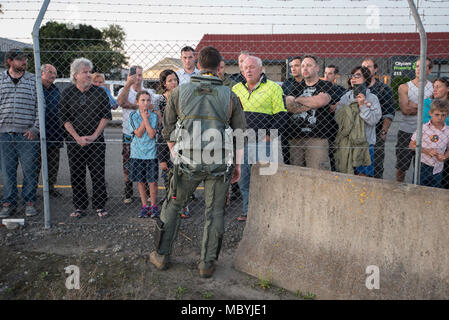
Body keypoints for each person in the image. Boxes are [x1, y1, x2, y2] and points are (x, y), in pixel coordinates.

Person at [149, 46, 246, 278]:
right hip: (219, 163)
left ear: (198, 64)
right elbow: (240, 134)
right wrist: (238, 165)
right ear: (219, 67)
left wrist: (175, 153)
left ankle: (162, 256)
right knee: (215, 213)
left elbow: (168, 128)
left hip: (187, 162)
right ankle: (206, 264)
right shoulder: (230, 95)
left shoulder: (179, 92)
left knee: (173, 205)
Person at [232, 55, 287, 221]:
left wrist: (270, 136)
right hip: (241, 142)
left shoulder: (273, 88)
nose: (248, 70)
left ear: (261, 69)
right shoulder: (236, 89)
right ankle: (248, 212)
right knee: (244, 179)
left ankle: (266, 213)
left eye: (252, 67)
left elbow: (281, 115)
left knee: (265, 180)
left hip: (263, 142)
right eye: (245, 68)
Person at [59, 57, 111, 218]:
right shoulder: (67, 93)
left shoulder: (100, 92)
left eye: (90, 72)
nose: (89, 75)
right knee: (77, 174)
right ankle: (80, 206)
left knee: (97, 174)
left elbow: (106, 116)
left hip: (96, 143)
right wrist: (77, 137)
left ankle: (100, 206)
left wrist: (95, 135)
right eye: (85, 72)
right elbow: (64, 118)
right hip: (75, 143)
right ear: (75, 75)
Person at [0, 49, 39, 218]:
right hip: (4, 134)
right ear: (10, 61)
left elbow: (40, 107)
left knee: (30, 170)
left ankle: (29, 202)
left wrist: (35, 129)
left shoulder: (33, 80)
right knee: (7, 171)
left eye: (25, 59)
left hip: (27, 135)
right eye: (20, 59)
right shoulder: (0, 80)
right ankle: (8, 203)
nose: (24, 62)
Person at [285, 55, 340, 170]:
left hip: (317, 138)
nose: (305, 68)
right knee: (297, 174)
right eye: (303, 66)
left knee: (318, 174)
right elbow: (289, 105)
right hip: (295, 137)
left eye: (309, 65)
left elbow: (321, 101)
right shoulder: (295, 86)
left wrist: (298, 100)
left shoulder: (325, 85)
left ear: (317, 68)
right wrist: (312, 102)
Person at [117, 66, 159, 204]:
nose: (137, 78)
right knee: (128, 162)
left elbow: (151, 108)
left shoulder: (149, 93)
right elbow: (121, 103)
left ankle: (146, 194)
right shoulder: (124, 90)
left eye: (140, 75)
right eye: (134, 75)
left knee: (146, 161)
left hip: (147, 134)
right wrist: (128, 84)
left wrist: (133, 106)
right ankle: (128, 191)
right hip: (129, 132)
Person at [335, 66, 382, 177]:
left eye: (358, 75)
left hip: (365, 145)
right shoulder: (345, 98)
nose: (353, 78)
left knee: (364, 178)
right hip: (347, 144)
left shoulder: (372, 98)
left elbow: (373, 120)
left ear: (366, 79)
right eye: (352, 76)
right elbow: (338, 119)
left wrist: (362, 106)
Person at [156, 69, 190, 219]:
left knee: (182, 171)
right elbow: (161, 123)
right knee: (167, 170)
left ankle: (183, 203)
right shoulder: (160, 100)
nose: (174, 82)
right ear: (164, 83)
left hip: (181, 137)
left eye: (175, 79)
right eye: (170, 80)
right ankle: (170, 199)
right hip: (165, 137)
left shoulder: (183, 97)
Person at [395, 57, 433, 183]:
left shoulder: (433, 89)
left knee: (422, 168)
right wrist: (426, 106)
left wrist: (415, 105)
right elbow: (405, 110)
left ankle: (418, 191)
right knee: (401, 167)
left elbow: (436, 112)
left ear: (430, 70)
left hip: (426, 133)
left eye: (423, 67)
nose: (418, 69)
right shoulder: (404, 87)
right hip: (406, 131)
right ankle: (398, 190)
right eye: (417, 66)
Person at [361, 58, 395, 179]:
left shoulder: (383, 89)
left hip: (376, 134)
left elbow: (389, 113)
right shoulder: (356, 87)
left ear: (375, 69)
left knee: (376, 167)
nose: (366, 69)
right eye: (363, 67)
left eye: (369, 67)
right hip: (358, 135)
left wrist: (383, 131)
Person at [128, 91, 159, 218]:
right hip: (137, 153)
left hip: (151, 153)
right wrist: (144, 119)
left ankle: (154, 206)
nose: (145, 103)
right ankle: (144, 206)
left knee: (152, 181)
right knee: (140, 181)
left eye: (147, 100)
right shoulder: (133, 115)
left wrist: (146, 118)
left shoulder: (154, 116)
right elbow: (139, 133)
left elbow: (151, 134)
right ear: (137, 102)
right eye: (142, 100)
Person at [409, 99, 449, 188]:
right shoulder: (423, 128)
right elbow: (411, 145)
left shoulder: (447, 131)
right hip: (422, 166)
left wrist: (445, 156)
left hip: (438, 168)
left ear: (447, 115)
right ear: (430, 113)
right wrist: (426, 151)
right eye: (437, 114)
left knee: (435, 192)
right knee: (417, 190)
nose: (440, 118)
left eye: (443, 115)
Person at [39, 64, 64, 198]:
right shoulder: (36, 88)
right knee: (34, 165)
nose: (53, 76)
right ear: (42, 73)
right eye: (50, 73)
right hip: (38, 133)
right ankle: (31, 191)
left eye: (54, 73)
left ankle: (50, 188)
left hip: (55, 133)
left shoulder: (56, 90)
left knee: (53, 164)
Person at [421, 77, 449, 188]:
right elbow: (426, 121)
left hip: (445, 144)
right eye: (434, 87)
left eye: (438, 86)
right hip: (429, 145)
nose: (435, 89)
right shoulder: (428, 102)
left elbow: (437, 120)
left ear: (447, 89)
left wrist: (439, 119)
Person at [323, 64, 347, 171]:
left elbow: (344, 104)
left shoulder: (341, 90)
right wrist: (332, 105)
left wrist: (337, 104)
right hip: (322, 127)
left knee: (335, 157)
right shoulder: (320, 88)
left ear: (336, 76)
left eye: (330, 73)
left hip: (336, 128)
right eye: (325, 73)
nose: (327, 76)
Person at [281, 56, 302, 164]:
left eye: (296, 66)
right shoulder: (287, 83)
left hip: (307, 127)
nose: (293, 69)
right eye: (291, 66)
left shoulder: (309, 83)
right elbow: (283, 102)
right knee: (291, 161)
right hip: (290, 128)